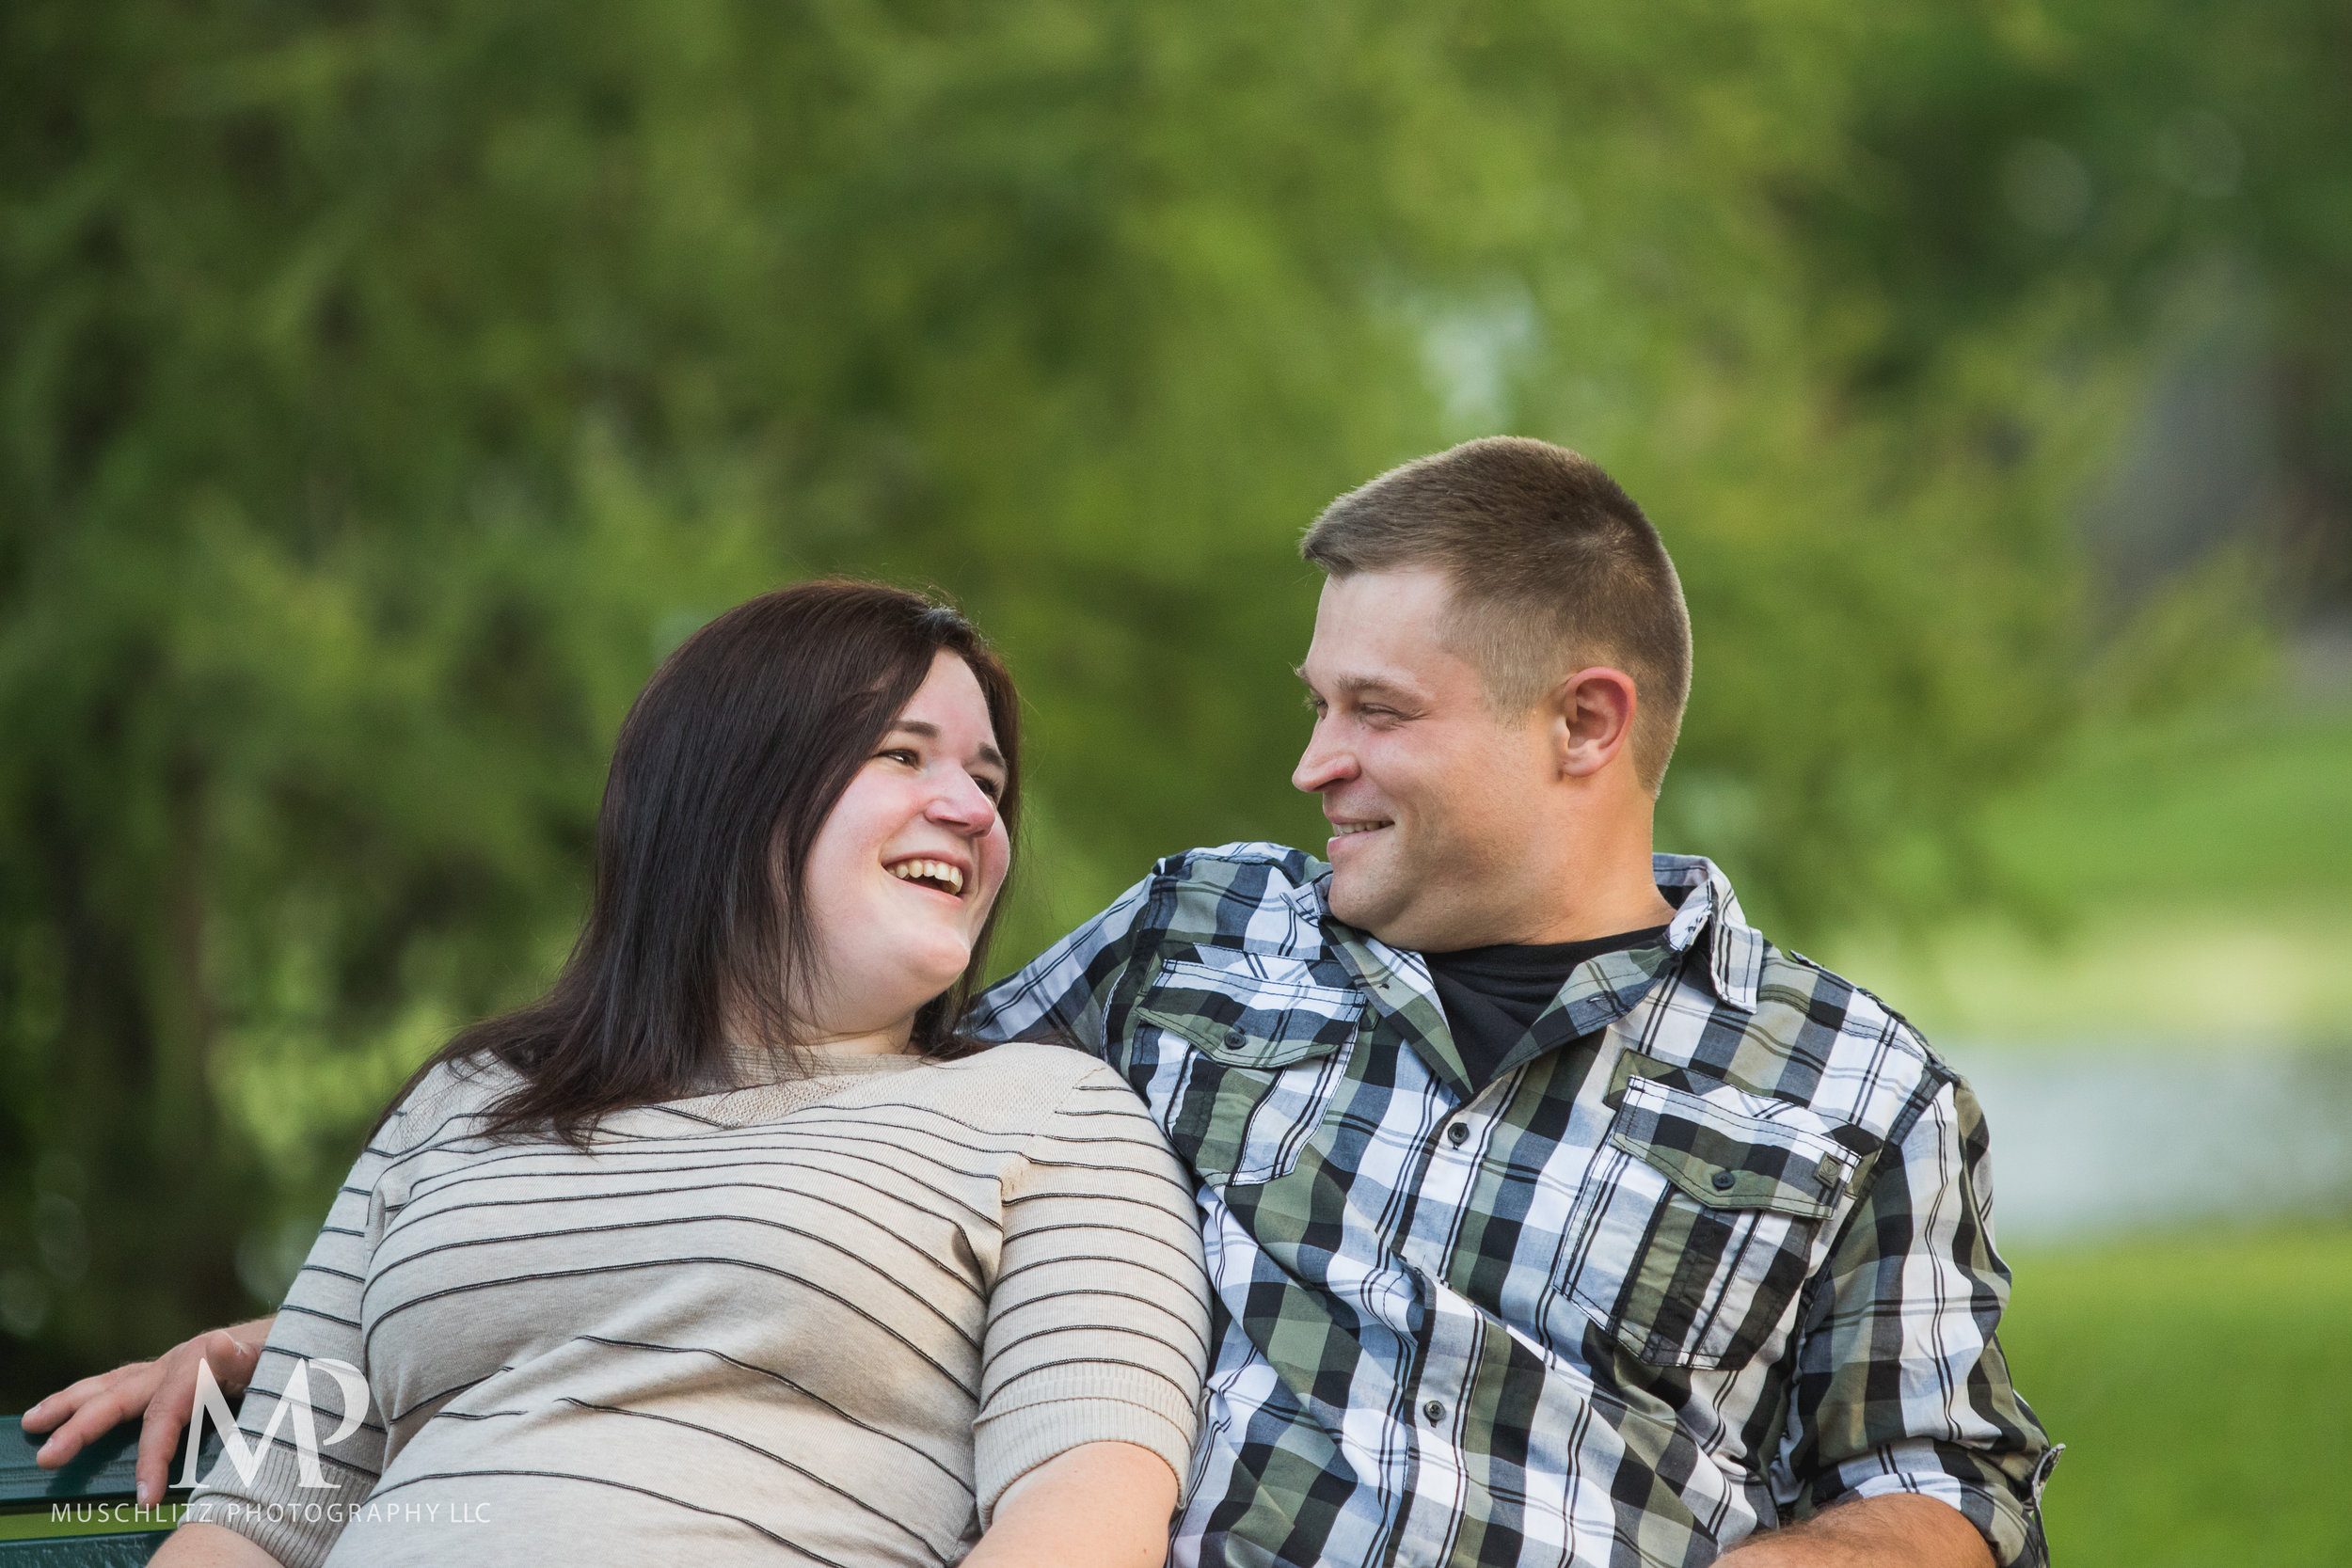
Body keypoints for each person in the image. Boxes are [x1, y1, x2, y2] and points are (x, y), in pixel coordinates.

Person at [34, 439, 2056, 1566]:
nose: (1308, 763)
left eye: (1369, 711)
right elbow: (796, 1101)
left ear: (1582, 722)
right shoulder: (1190, 948)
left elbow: (1944, 1488)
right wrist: (329, 1328)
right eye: (1308, 705)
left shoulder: (1844, 1087)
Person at [40, 580, 1212, 1567]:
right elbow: (266, 1507)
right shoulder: (471, 1099)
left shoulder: (1049, 1114)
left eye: (989, 784)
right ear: (725, 795)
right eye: (902, 754)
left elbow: (1085, 1503)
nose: (969, 810)